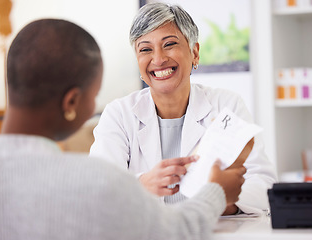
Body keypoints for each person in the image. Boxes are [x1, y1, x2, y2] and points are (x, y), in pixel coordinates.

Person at [0, 18, 246, 240]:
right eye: (94, 94)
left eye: (169, 44)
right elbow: (178, 232)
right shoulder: (93, 183)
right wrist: (216, 192)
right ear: (72, 102)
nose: (158, 58)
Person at [90, 2, 277, 215]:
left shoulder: (226, 105)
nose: (158, 59)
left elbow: (263, 183)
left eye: (169, 44)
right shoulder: (119, 114)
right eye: (145, 49)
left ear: (194, 52)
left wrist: (219, 201)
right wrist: (141, 186)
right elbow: (98, 188)